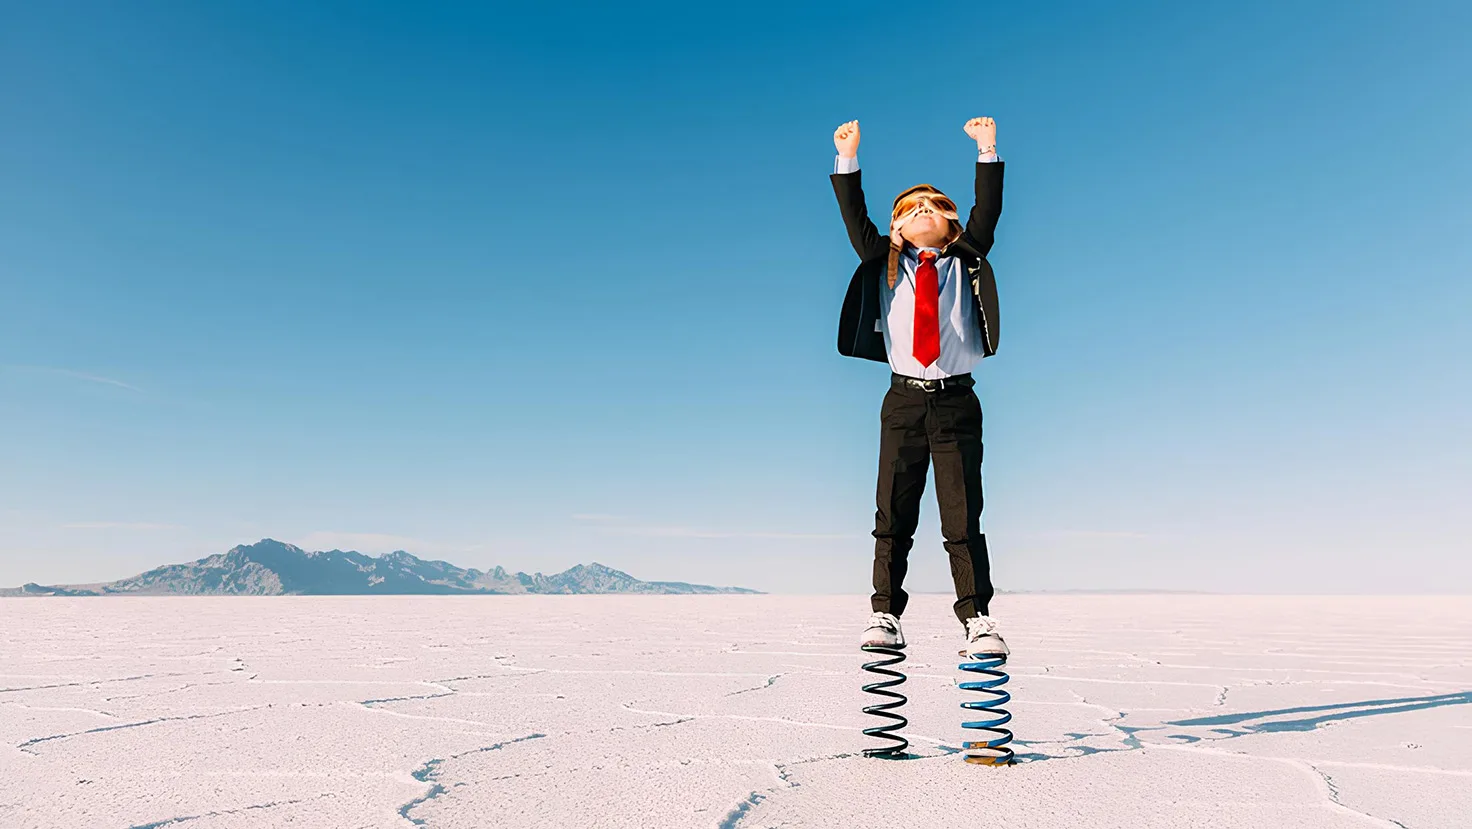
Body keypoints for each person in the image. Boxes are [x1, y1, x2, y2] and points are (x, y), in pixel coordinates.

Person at [829, 116, 1009, 658]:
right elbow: (854, 216)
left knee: (962, 513)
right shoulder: (882, 262)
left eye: (933, 207)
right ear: (897, 227)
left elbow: (988, 210)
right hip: (903, 399)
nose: (922, 214)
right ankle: (884, 612)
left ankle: (976, 616)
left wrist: (987, 148)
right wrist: (848, 158)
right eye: (910, 211)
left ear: (952, 224)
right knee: (893, 512)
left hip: (957, 399)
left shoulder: (966, 257)